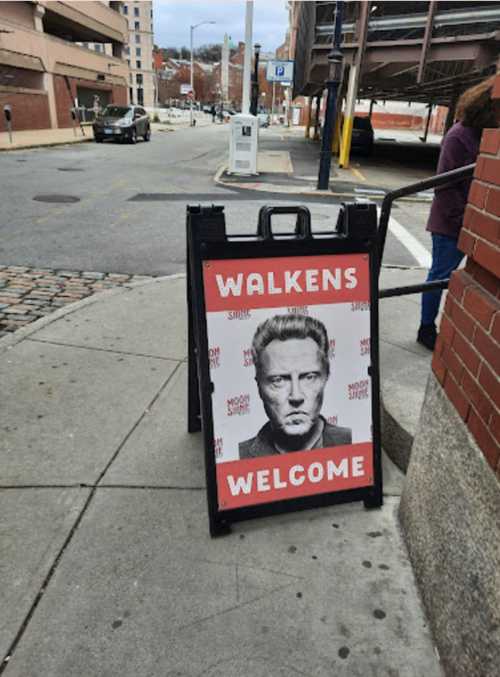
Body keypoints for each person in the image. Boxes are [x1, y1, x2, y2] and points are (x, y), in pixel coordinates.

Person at [417, 76, 499, 350]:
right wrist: (464, 220)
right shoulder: (459, 136)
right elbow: (445, 186)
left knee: (453, 277)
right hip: (450, 224)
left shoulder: (482, 135)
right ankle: (426, 328)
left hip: (469, 221)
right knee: (439, 276)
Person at [239, 314, 352, 458]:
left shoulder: (354, 442)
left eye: (309, 377)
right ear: (259, 387)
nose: (296, 396)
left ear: (326, 377)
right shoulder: (239, 457)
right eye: (278, 380)